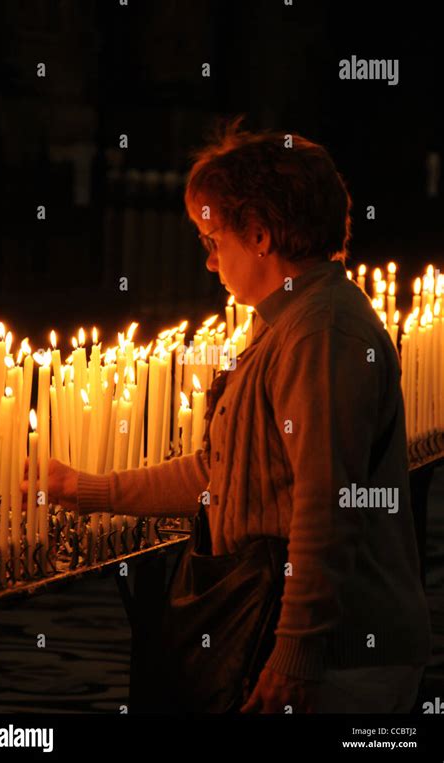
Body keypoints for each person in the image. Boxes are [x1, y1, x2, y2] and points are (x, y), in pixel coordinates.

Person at [22, 118, 431, 713]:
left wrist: (295, 656)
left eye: (214, 243)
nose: (210, 264)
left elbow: (326, 506)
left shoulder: (321, 334)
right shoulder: (284, 323)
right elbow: (223, 474)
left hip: (341, 662)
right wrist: (85, 490)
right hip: (294, 638)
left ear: (260, 235)